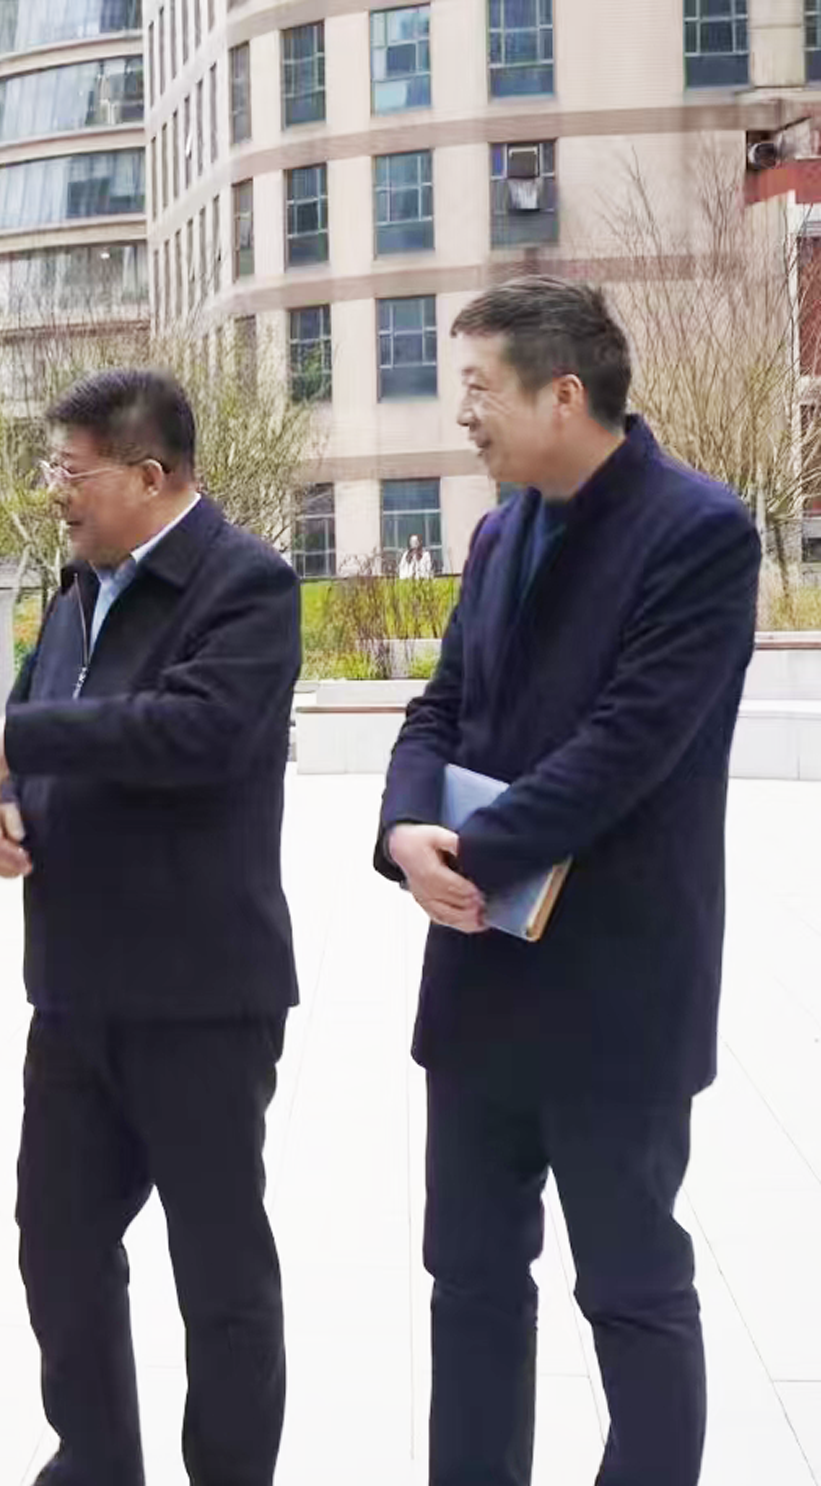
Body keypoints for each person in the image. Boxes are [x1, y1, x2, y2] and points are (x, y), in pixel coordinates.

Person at [376, 276, 761, 1486]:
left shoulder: (698, 532)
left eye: (477, 388)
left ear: (562, 393)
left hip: (615, 992)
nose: (462, 416)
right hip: (478, 978)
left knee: (630, 1290)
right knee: (468, 1282)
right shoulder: (498, 534)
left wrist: (468, 850)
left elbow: (624, 749)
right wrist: (402, 831)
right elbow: (439, 707)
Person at [0, 369, 302, 1486]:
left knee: (218, 1273)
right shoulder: (75, 592)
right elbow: (23, 746)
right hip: (73, 993)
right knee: (57, 1247)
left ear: (149, 475)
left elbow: (194, 733)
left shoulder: (245, 584)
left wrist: (25, 741)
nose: (55, 492)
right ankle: (95, 1464)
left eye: (71, 472)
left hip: (199, 996)